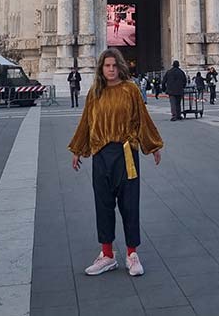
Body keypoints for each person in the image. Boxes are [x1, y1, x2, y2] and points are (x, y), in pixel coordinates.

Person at [68, 48, 163, 278]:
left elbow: (142, 118)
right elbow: (86, 123)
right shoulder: (95, 92)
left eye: (113, 65)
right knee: (103, 204)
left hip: (126, 154)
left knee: (129, 204)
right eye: (106, 66)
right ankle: (107, 255)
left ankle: (132, 255)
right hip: (101, 154)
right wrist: (78, 149)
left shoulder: (130, 90)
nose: (110, 69)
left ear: (120, 67)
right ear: (101, 69)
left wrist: (153, 145)